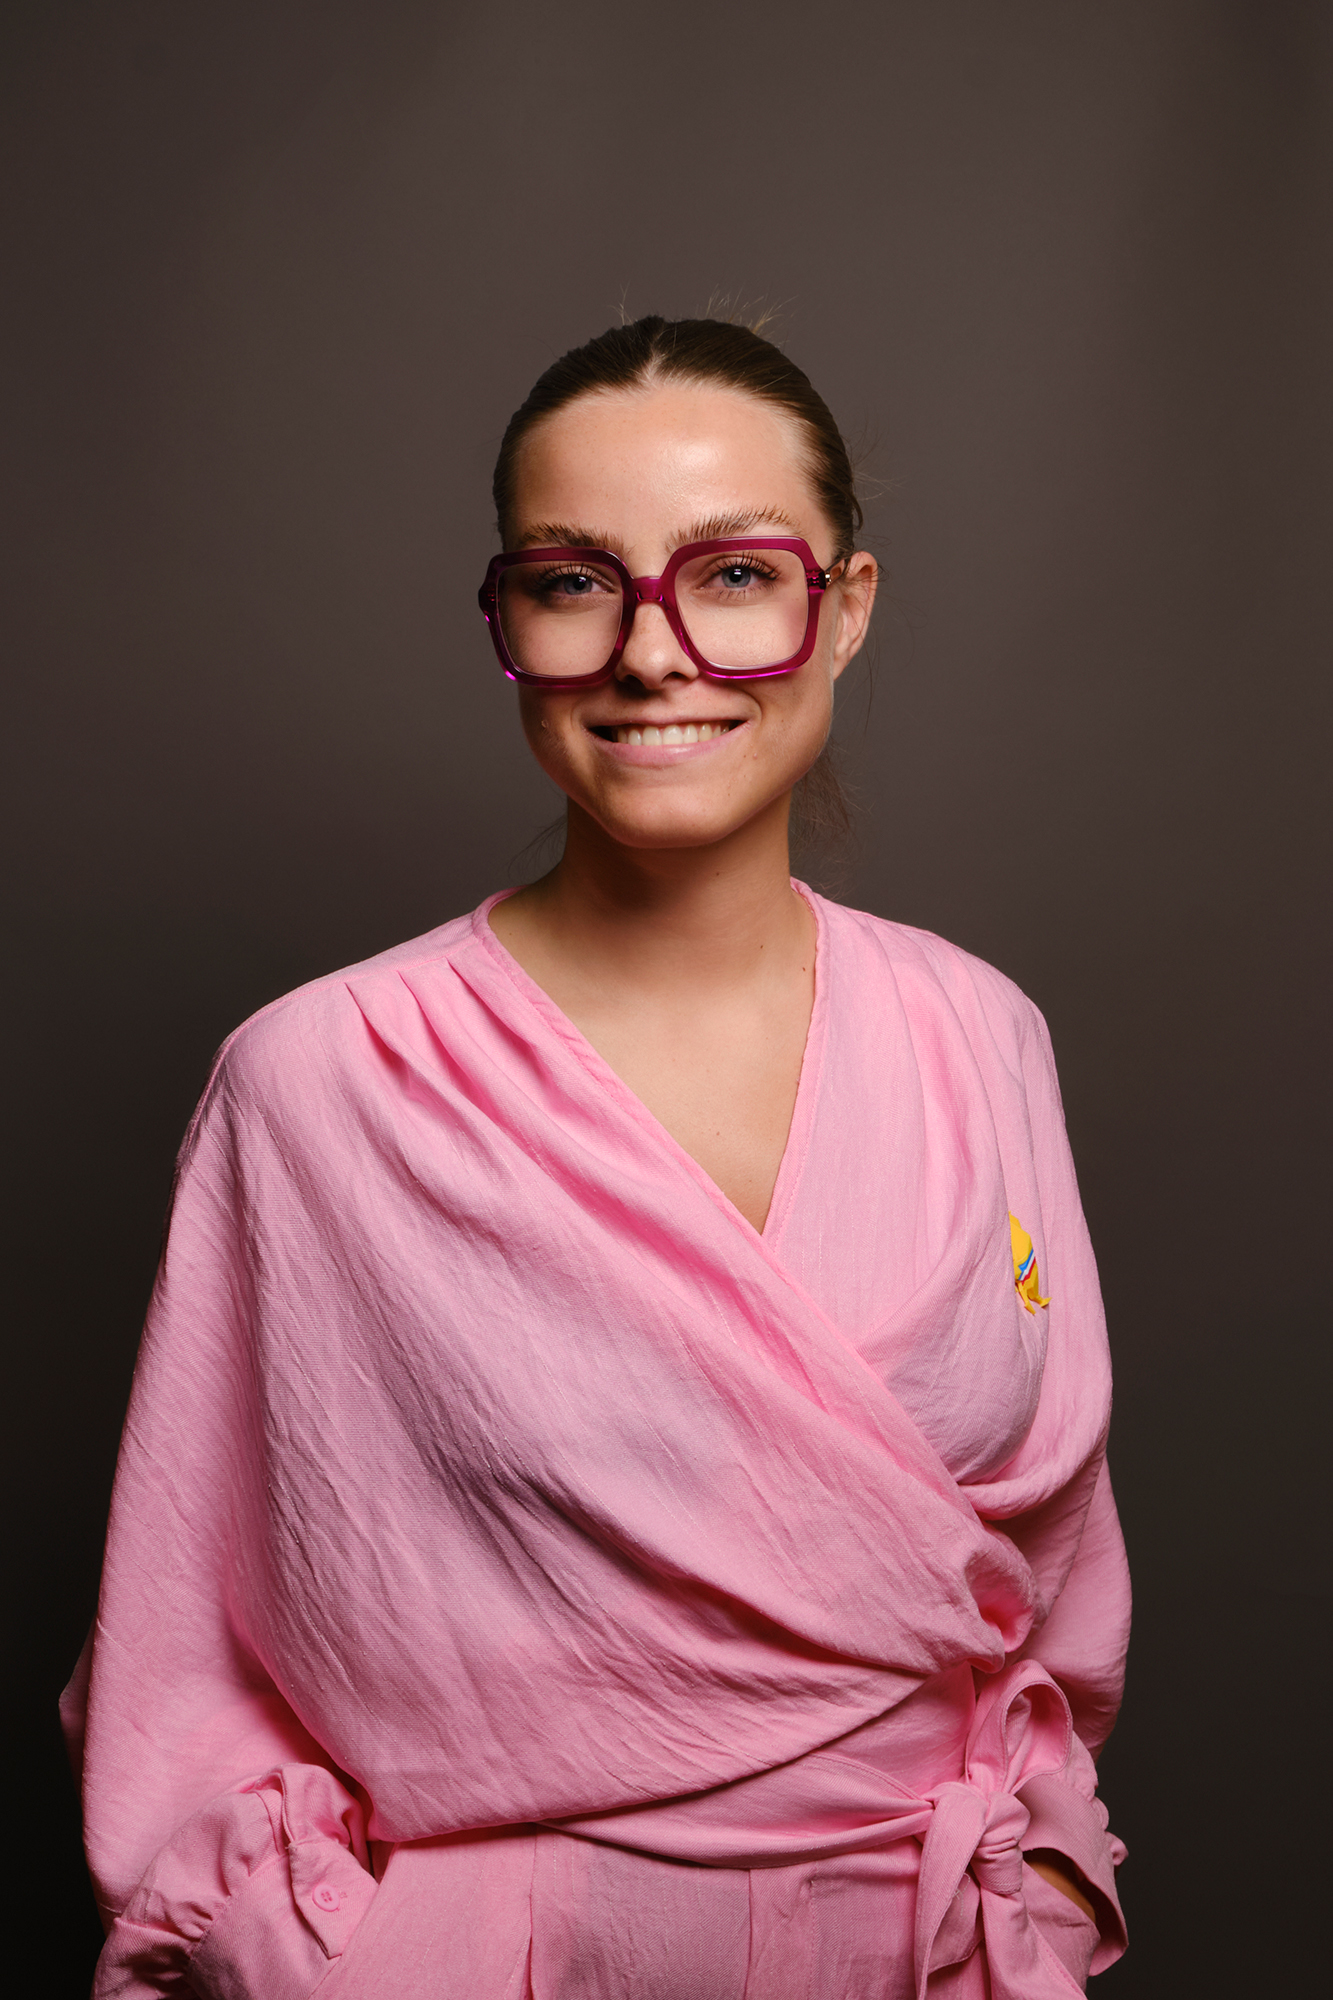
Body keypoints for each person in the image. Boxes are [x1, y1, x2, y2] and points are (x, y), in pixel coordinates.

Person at [64, 316, 1130, 2000]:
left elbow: (1051, 1586)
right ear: (506, 620)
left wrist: (1036, 1896)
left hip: (926, 1957)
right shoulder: (322, 1081)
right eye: (573, 583)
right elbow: (177, 1663)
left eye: (734, 575)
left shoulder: (975, 1029)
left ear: (845, 607)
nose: (651, 653)